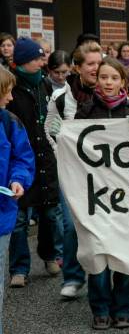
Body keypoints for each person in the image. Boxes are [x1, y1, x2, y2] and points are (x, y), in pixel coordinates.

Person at [75, 57, 129, 330]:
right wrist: (63, 134)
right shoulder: (86, 111)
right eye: (103, 77)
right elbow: (75, 148)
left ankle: (123, 308)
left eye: (114, 78)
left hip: (127, 196)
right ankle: (100, 309)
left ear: (123, 82)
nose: (108, 82)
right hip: (95, 195)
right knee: (98, 254)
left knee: (124, 253)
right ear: (97, 80)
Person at [45, 41, 103, 300]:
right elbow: (49, 130)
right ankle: (73, 276)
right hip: (73, 173)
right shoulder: (61, 100)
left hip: (107, 174)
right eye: (91, 64)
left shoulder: (112, 92)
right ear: (77, 68)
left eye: (99, 62)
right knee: (71, 225)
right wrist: (63, 153)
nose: (96, 68)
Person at [5, 38, 63, 288]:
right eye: (37, 58)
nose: (42, 62)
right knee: (19, 219)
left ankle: (50, 254)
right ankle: (19, 267)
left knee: (50, 212)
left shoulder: (46, 85)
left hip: (46, 157)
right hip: (20, 159)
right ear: (23, 61)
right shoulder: (11, 89)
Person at [0, 67, 35, 334]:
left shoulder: (9, 122)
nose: (11, 97)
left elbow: (22, 157)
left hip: (2, 216)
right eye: (6, 91)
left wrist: (18, 179)